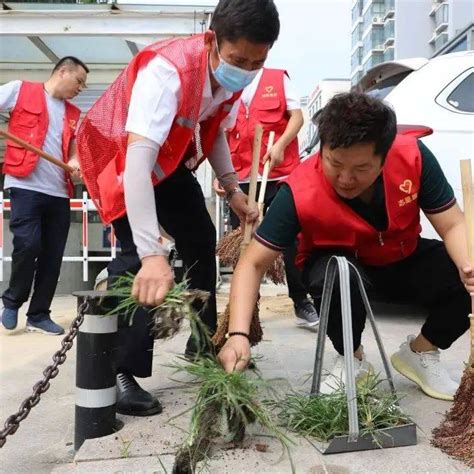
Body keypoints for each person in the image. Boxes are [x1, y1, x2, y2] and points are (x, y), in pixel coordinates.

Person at [77, 0, 280, 416]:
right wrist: (153, 254)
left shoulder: (233, 75)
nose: (245, 69)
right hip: (117, 156)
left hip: (164, 161)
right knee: (136, 257)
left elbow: (215, 130)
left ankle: (204, 340)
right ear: (212, 40)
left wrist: (232, 188)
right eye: (239, 59)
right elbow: (136, 164)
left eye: (257, 62)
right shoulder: (166, 72)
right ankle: (117, 372)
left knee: (200, 237)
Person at [218, 92, 473, 401]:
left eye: (361, 168)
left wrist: (467, 268)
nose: (346, 179)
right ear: (322, 148)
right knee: (337, 273)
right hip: (341, 268)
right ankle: (351, 359)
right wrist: (238, 335)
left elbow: (453, 224)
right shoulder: (299, 191)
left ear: (384, 156)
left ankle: (421, 351)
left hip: (401, 258)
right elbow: (253, 263)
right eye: (335, 163)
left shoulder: (412, 157)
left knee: (465, 265)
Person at [214, 67, 319, 329]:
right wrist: (223, 176)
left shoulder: (277, 78)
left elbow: (297, 117)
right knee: (243, 241)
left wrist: (281, 145)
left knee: (290, 240)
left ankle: (301, 300)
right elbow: (220, 132)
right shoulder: (228, 81)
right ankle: (244, 309)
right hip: (242, 178)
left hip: (279, 173)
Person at [1, 57, 88, 335]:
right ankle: (13, 301)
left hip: (58, 192)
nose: (81, 88)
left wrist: (75, 162)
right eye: (79, 81)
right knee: (28, 244)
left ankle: (39, 314)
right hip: (24, 184)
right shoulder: (19, 90)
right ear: (63, 71)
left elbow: (74, 150)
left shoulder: (74, 114)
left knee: (52, 255)